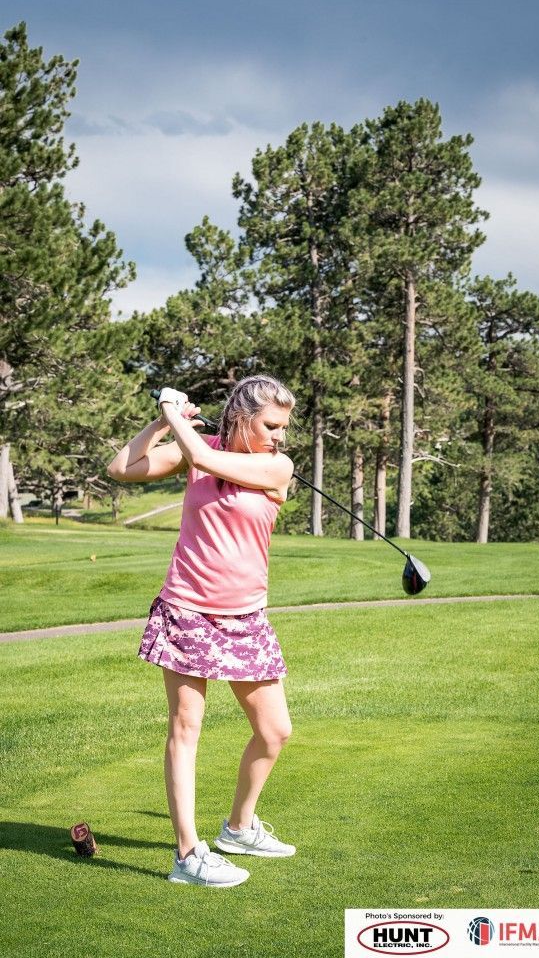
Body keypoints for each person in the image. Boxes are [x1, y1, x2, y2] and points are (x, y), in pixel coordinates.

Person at [107, 375, 296, 888]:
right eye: (271, 424)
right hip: (187, 609)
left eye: (284, 426)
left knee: (274, 730)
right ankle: (189, 854)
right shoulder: (198, 449)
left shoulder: (275, 466)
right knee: (185, 728)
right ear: (242, 417)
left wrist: (173, 414)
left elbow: (210, 462)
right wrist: (163, 421)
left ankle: (238, 827)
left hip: (246, 617)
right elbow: (121, 468)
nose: (280, 435)